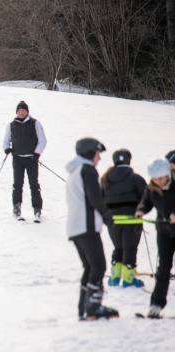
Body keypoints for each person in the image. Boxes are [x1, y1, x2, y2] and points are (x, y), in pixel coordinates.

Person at [65, 137, 118, 320]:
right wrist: (107, 217)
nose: (99, 158)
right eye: (98, 154)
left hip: (74, 227)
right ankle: (93, 307)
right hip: (86, 226)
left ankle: (84, 308)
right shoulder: (87, 169)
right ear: (90, 153)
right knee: (99, 265)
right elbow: (94, 198)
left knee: (89, 267)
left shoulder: (75, 171)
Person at [134, 158, 175, 319]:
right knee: (163, 268)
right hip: (164, 231)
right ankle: (156, 305)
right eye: (155, 178)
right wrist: (141, 211)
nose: (158, 181)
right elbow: (146, 201)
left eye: (160, 178)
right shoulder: (152, 188)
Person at [101, 149, 147, 287]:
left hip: (113, 221)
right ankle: (128, 279)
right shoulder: (136, 178)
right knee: (130, 249)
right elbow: (146, 197)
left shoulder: (105, 178)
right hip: (131, 219)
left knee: (118, 248)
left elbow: (100, 199)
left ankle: (115, 276)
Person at [2, 100, 47, 221]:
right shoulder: (11, 125)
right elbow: (6, 140)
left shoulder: (35, 123)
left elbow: (42, 140)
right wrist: (7, 149)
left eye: (23, 110)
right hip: (17, 159)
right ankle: (16, 207)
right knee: (17, 184)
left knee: (34, 184)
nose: (21, 112)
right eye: (19, 110)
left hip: (31, 159)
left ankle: (37, 208)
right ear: (17, 112)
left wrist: (37, 154)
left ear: (27, 112)